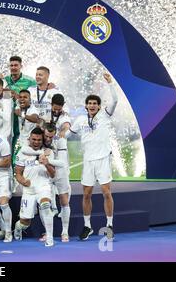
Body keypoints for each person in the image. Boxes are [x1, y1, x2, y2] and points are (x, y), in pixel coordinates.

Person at [66, 73, 118, 240]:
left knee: (106, 192)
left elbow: (115, 100)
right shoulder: (80, 119)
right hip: (88, 161)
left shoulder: (105, 115)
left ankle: (109, 225)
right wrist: (53, 138)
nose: (92, 105)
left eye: (95, 103)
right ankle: (87, 226)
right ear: (86, 105)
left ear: (99, 106)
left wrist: (110, 83)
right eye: (89, 103)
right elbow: (68, 134)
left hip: (103, 159)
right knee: (86, 194)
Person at [14, 127, 56, 247]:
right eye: (34, 139)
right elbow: (17, 173)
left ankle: (50, 238)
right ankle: (18, 227)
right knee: (25, 222)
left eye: (39, 139)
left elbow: (53, 174)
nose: (36, 142)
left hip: (43, 186)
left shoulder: (48, 152)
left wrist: (47, 164)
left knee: (46, 206)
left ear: (42, 139)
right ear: (29, 139)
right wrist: (22, 181)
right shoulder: (22, 152)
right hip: (29, 190)